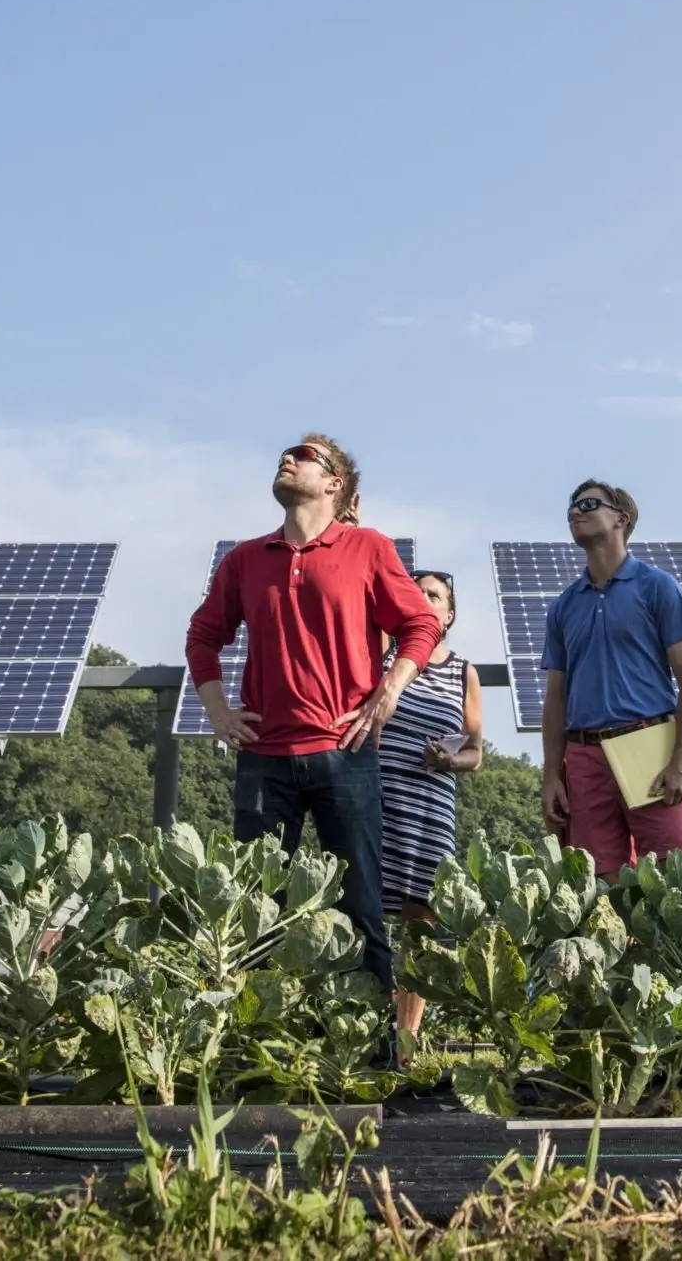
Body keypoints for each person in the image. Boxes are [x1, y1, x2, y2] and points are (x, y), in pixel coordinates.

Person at [185, 434, 441, 996]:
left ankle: (372, 1054)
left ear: (334, 484)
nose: (288, 458)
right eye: (286, 453)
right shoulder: (245, 560)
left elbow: (421, 624)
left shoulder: (369, 547)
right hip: (262, 759)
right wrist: (219, 712)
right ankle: (258, 1049)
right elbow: (203, 635)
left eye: (304, 455)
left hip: (345, 755)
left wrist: (388, 691)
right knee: (253, 908)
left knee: (362, 906)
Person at [539, 478, 682, 878]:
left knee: (672, 876)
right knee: (598, 885)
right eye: (571, 508)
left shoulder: (658, 587)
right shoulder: (563, 607)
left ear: (621, 518)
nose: (575, 513)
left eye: (589, 504)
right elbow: (555, 701)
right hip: (583, 755)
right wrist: (550, 776)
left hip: (651, 746)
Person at [379, 567, 484, 1041]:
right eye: (416, 591)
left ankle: (407, 1040)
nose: (424, 599)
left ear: (450, 613)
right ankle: (368, 1031)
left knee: (421, 922)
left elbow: (475, 752)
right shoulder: (381, 656)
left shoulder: (464, 672)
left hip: (429, 806)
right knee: (369, 912)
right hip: (378, 798)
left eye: (435, 595)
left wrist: (449, 759)